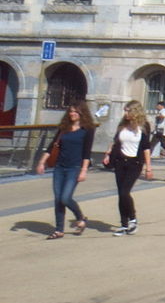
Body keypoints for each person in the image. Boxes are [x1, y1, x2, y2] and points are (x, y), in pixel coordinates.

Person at [35, 100, 97, 239]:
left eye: (75, 111)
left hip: (74, 167)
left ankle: (80, 217)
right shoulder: (64, 128)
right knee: (58, 199)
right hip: (59, 167)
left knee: (65, 198)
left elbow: (87, 152)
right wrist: (41, 162)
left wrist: (84, 170)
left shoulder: (88, 129)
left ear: (82, 113)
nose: (72, 114)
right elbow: (52, 146)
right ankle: (59, 230)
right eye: (70, 111)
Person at [103, 99, 153, 235]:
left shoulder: (143, 127)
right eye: (125, 111)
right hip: (120, 161)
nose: (125, 114)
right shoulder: (122, 125)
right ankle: (124, 225)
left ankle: (133, 219)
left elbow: (146, 148)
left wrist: (148, 167)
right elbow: (115, 141)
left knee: (125, 192)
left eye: (128, 111)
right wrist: (108, 153)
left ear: (135, 112)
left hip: (135, 163)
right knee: (120, 194)